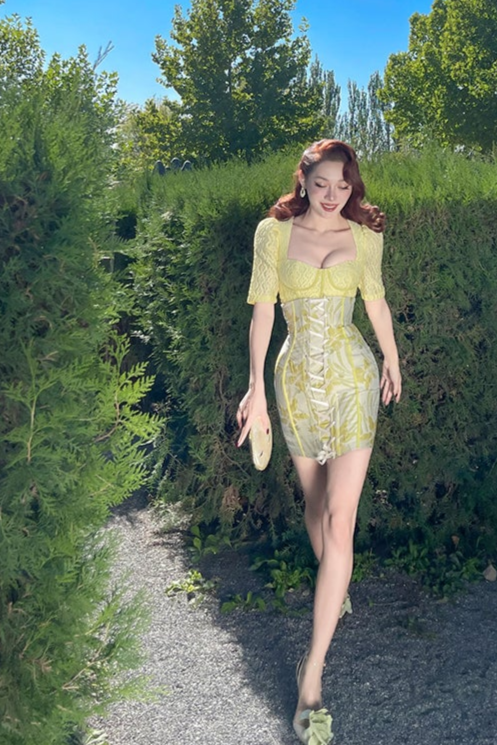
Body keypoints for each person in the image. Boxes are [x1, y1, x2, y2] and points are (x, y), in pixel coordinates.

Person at [236, 139, 401, 743]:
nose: (334, 195)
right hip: (297, 383)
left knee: (339, 519)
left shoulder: (365, 238)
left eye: (344, 185)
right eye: (323, 183)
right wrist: (255, 389)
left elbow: (375, 302)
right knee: (315, 505)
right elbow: (262, 314)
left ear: (353, 187)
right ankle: (336, 581)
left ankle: (313, 674)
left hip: (354, 380)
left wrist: (392, 359)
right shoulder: (273, 235)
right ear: (303, 181)